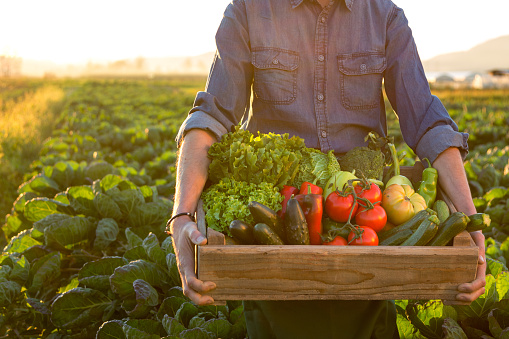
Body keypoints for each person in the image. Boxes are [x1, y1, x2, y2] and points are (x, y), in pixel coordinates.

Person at [168, 0, 486, 337]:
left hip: (364, 224)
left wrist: (470, 223)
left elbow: (427, 123)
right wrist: (181, 216)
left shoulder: (385, 16)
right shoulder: (249, 10)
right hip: (275, 227)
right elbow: (211, 116)